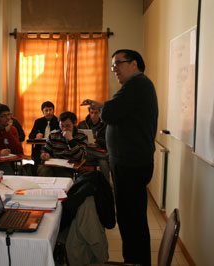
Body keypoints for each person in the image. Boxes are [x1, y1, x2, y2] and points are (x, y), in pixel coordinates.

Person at [82, 49, 158, 266]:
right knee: (131, 216)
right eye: (112, 65)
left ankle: (135, 261)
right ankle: (134, 260)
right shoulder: (137, 86)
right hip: (131, 162)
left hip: (130, 163)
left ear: (134, 64)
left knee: (130, 218)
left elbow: (111, 114)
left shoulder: (136, 85)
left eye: (118, 64)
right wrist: (104, 104)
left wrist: (104, 108)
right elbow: (117, 109)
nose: (114, 69)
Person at [37, 111, 86, 178]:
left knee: (62, 173)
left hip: (69, 166)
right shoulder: (53, 135)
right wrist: (44, 154)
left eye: (68, 126)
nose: (64, 129)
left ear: (74, 124)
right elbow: (45, 150)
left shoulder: (81, 136)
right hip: (54, 164)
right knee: (43, 170)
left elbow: (80, 157)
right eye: (62, 126)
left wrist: (71, 140)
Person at [78, 107, 111, 181]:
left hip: (99, 150)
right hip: (87, 150)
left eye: (96, 113)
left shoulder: (105, 125)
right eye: (91, 112)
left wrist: (97, 140)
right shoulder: (82, 124)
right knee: (103, 158)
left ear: (100, 113)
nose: (93, 115)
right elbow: (77, 138)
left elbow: (107, 142)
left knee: (103, 162)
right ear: (89, 113)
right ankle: (106, 156)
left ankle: (106, 184)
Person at [29, 101, 60, 165]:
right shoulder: (38, 121)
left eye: (50, 110)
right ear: (43, 112)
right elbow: (30, 136)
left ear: (53, 110)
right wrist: (36, 135)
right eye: (46, 110)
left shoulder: (58, 121)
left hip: (54, 148)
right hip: (40, 148)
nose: (48, 112)